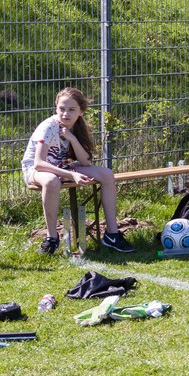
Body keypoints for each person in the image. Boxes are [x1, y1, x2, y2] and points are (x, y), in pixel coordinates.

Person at [24, 87, 134, 255]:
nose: (65, 114)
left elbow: (85, 161)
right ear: (56, 107)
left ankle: (112, 235)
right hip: (38, 171)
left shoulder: (75, 127)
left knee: (106, 174)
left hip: (62, 168)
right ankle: (51, 238)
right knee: (52, 181)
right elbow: (39, 163)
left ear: (81, 112)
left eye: (71, 110)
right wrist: (72, 175)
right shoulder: (48, 127)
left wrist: (72, 138)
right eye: (61, 109)